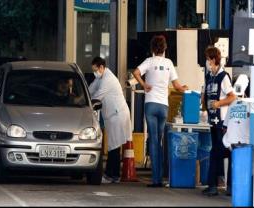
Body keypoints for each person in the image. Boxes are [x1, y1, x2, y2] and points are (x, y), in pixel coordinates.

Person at [132, 35, 188, 187]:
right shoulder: (169, 63)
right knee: (160, 140)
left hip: (150, 104)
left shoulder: (149, 62)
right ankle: (162, 177)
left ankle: (155, 179)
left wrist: (144, 85)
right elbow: (177, 86)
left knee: (153, 139)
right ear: (165, 48)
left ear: (152, 48)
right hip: (163, 106)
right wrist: (186, 90)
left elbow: (136, 72)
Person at [89, 56, 132, 184]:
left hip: (117, 115)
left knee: (114, 146)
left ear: (101, 67)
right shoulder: (101, 78)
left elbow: (98, 95)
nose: (94, 73)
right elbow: (91, 89)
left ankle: (110, 175)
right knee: (114, 145)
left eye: (95, 70)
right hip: (113, 115)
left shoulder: (108, 79)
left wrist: (85, 103)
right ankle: (114, 175)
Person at [201, 46, 236, 196]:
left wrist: (218, 104)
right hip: (212, 121)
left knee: (221, 151)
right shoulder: (209, 76)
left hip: (222, 121)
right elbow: (206, 95)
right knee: (216, 151)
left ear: (214, 59)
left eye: (208, 60)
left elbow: (232, 96)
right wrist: (204, 103)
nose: (207, 63)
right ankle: (214, 185)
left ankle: (221, 185)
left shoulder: (223, 77)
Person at [222, 74, 250, 196]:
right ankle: (242, 186)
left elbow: (225, 125)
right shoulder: (250, 105)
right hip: (245, 142)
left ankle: (229, 187)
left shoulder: (232, 104)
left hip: (230, 142)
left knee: (232, 158)